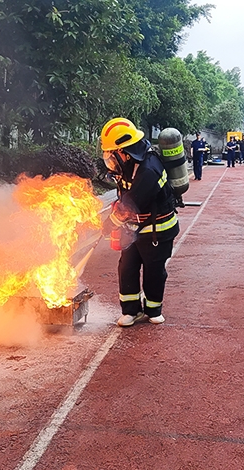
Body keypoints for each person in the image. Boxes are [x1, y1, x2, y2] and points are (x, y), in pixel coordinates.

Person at [100, 117, 180, 326]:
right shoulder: (129, 163)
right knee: (127, 267)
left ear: (124, 150)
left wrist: (110, 223)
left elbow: (131, 204)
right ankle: (130, 310)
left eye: (112, 153)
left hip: (157, 230)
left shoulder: (148, 170)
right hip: (133, 228)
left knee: (154, 271)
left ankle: (153, 310)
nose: (110, 158)